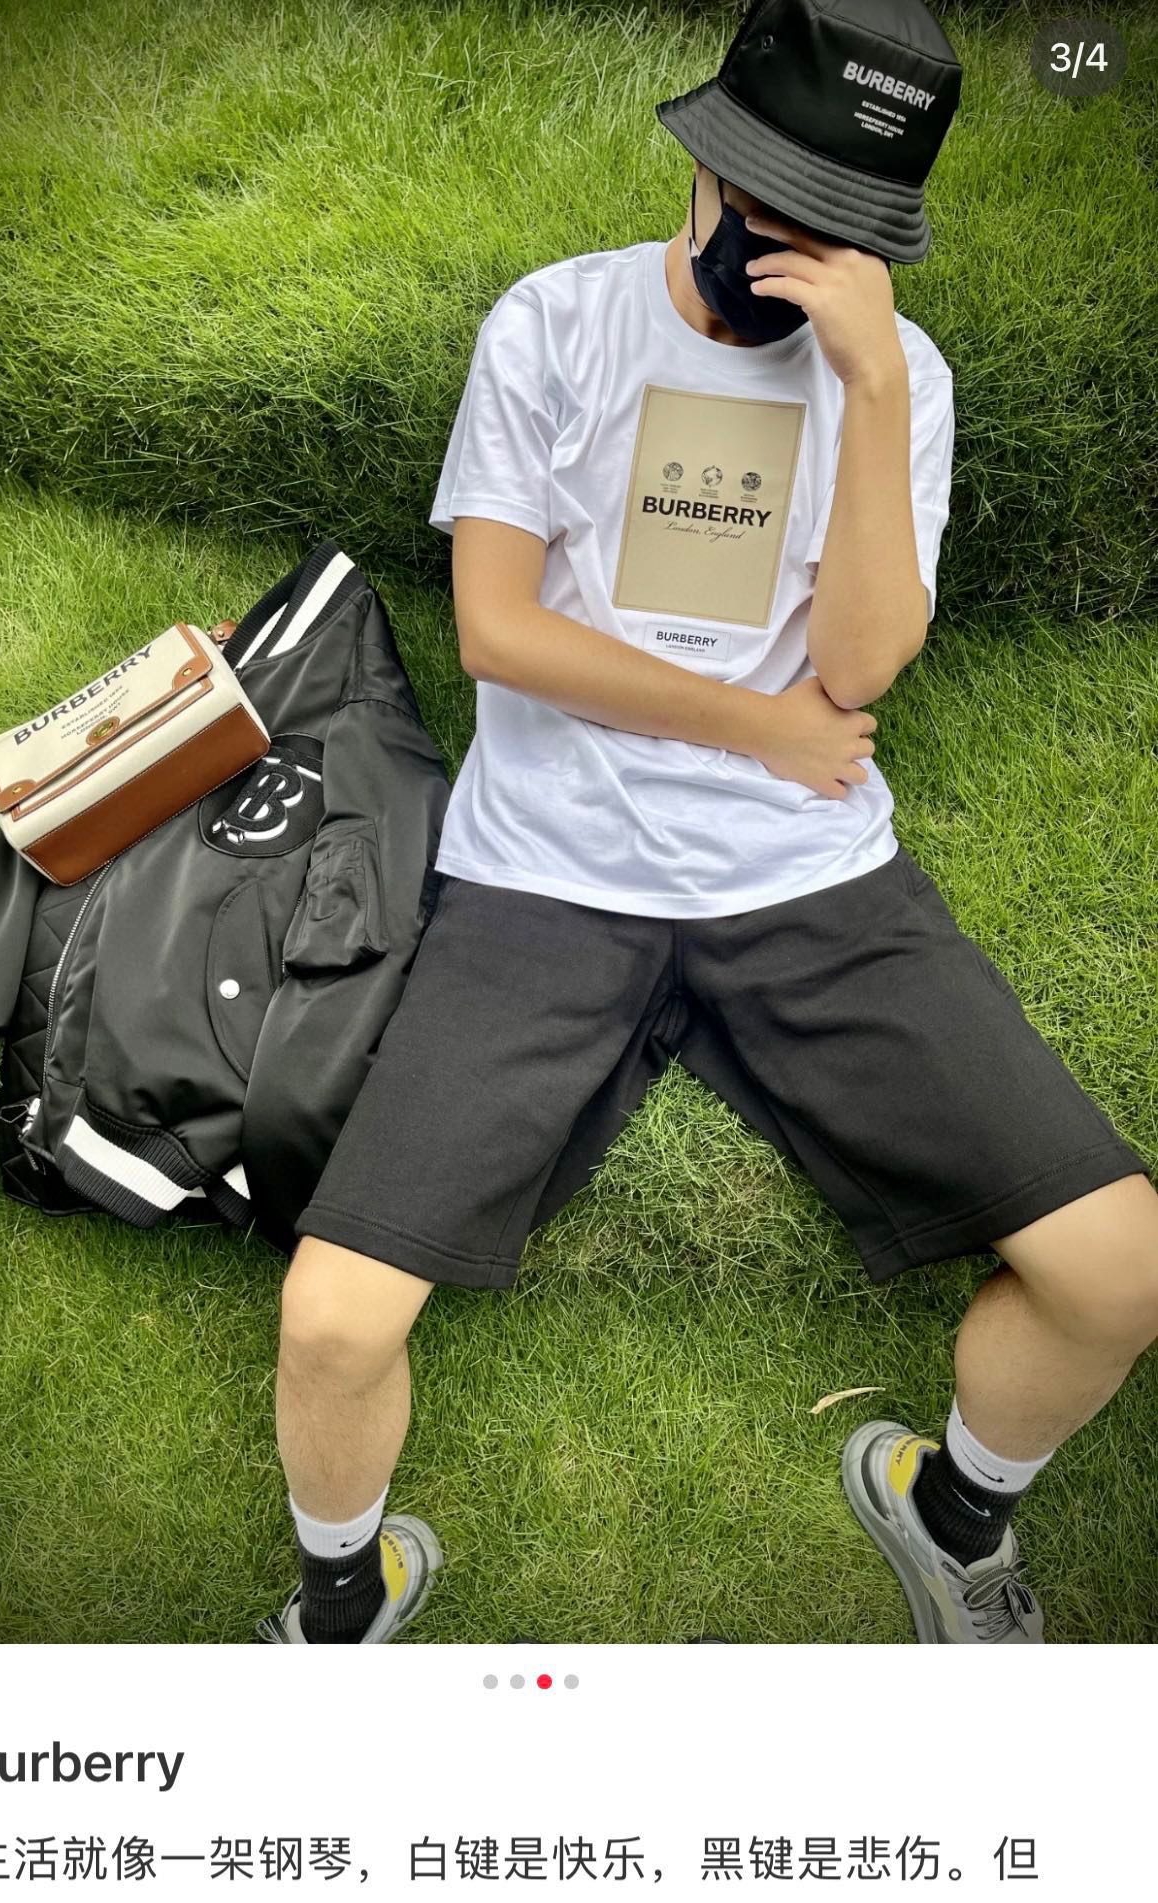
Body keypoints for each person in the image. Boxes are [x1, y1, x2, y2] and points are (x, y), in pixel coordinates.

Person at [257, 0, 1157, 1647]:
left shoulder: (900, 377)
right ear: (703, 161)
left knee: (1120, 1265)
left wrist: (867, 386)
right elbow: (497, 631)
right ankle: (338, 1599)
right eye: (760, 200)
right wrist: (759, 725)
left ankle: (950, 1507)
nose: (778, 245)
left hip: (806, 873)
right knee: (330, 1318)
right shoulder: (554, 325)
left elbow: (862, 664)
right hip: (544, 873)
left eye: (832, 225)